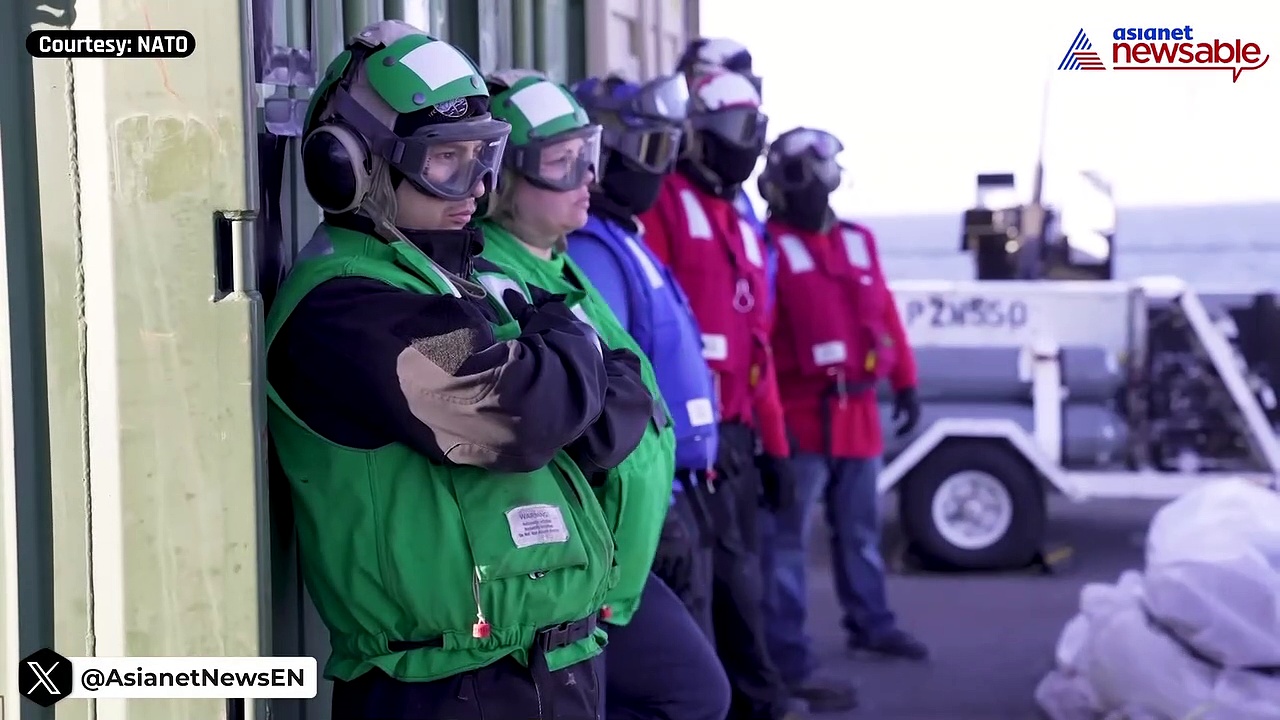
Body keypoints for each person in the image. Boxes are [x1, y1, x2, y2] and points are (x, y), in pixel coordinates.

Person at [266, 22, 641, 719]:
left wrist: (563, 365)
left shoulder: (450, 283)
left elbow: (614, 418)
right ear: (350, 164)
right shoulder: (352, 311)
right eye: (446, 161)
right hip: (446, 689)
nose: (475, 187)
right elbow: (520, 417)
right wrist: (567, 342)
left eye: (484, 156)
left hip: (544, 669)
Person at [476, 70, 731, 720]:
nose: (587, 177)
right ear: (504, 181)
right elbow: (579, 416)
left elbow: (618, 385)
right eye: (561, 165)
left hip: (621, 554)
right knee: (690, 695)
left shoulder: (556, 261)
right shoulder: (499, 275)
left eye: (586, 157)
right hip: (579, 565)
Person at [638, 66, 817, 720]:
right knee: (701, 589)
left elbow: (757, 345)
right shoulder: (665, 206)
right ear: (699, 137)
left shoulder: (741, 218)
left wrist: (775, 446)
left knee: (742, 582)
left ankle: (758, 698)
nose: (749, 145)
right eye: (738, 132)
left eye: (757, 132)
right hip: (682, 445)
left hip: (737, 437)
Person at [757, 127, 928, 699]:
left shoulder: (859, 241)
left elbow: (885, 313)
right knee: (786, 545)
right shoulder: (768, 247)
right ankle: (788, 655)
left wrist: (905, 381)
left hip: (858, 417)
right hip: (799, 417)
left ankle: (872, 626)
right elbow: (757, 336)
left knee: (859, 534)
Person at [566, 72, 720, 640]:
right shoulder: (595, 251)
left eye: (668, 148)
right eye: (648, 150)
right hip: (652, 506)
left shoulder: (626, 238)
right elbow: (609, 392)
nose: (660, 167)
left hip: (680, 491)